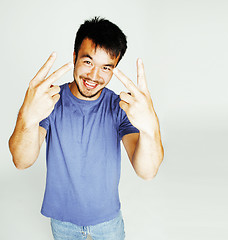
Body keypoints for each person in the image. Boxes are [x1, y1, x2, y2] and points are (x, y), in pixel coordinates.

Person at [9, 16, 164, 240]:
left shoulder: (120, 107)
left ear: (114, 70)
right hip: (62, 221)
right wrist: (27, 117)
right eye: (88, 62)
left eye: (106, 67)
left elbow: (147, 172)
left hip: (108, 221)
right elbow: (21, 161)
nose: (94, 76)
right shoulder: (50, 101)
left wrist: (151, 129)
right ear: (74, 57)